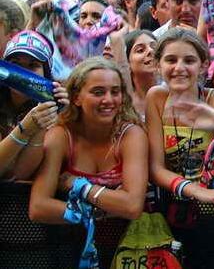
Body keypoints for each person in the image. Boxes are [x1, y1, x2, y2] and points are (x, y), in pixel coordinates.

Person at [29, 58, 147, 222]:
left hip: (125, 242)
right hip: (69, 244)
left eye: (115, 91)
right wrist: (108, 209)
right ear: (76, 98)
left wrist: (79, 185)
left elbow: (132, 207)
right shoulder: (60, 136)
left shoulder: (131, 135)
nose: (108, 100)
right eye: (98, 92)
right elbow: (38, 208)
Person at [145, 28, 214, 208]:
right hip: (174, 211)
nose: (179, 68)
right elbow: (155, 169)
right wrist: (197, 191)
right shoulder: (156, 97)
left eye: (189, 60)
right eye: (171, 60)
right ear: (158, 65)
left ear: (203, 65)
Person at [0, 30, 68, 180]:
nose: (23, 72)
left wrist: (61, 114)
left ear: (46, 73)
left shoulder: (57, 107)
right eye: (16, 64)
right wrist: (24, 129)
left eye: (33, 65)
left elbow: (19, 174)